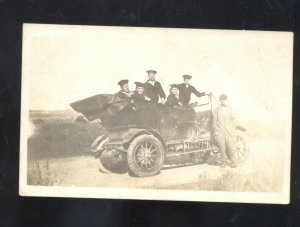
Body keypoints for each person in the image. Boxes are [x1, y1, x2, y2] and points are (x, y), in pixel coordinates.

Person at [212, 94, 237, 168]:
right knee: (222, 148)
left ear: (226, 100)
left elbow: (233, 120)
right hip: (220, 132)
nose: (223, 101)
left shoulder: (230, 109)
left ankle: (234, 161)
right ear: (220, 101)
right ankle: (224, 162)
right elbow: (214, 122)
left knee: (231, 147)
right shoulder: (216, 110)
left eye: (224, 100)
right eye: (222, 100)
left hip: (229, 132)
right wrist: (216, 131)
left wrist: (232, 129)